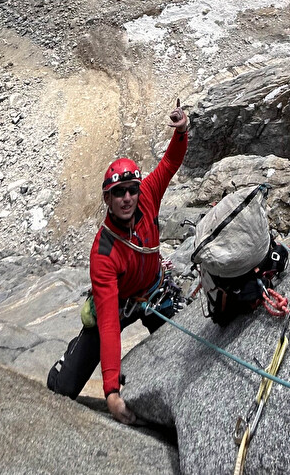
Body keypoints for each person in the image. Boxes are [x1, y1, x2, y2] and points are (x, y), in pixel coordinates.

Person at [46, 101, 188, 423]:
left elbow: (169, 163)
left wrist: (181, 132)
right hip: (120, 304)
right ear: (107, 199)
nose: (127, 198)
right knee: (64, 388)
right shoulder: (103, 253)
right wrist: (111, 392)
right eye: (119, 192)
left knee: (187, 351)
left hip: (154, 294)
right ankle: (63, 366)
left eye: (131, 190)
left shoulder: (149, 195)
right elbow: (109, 323)